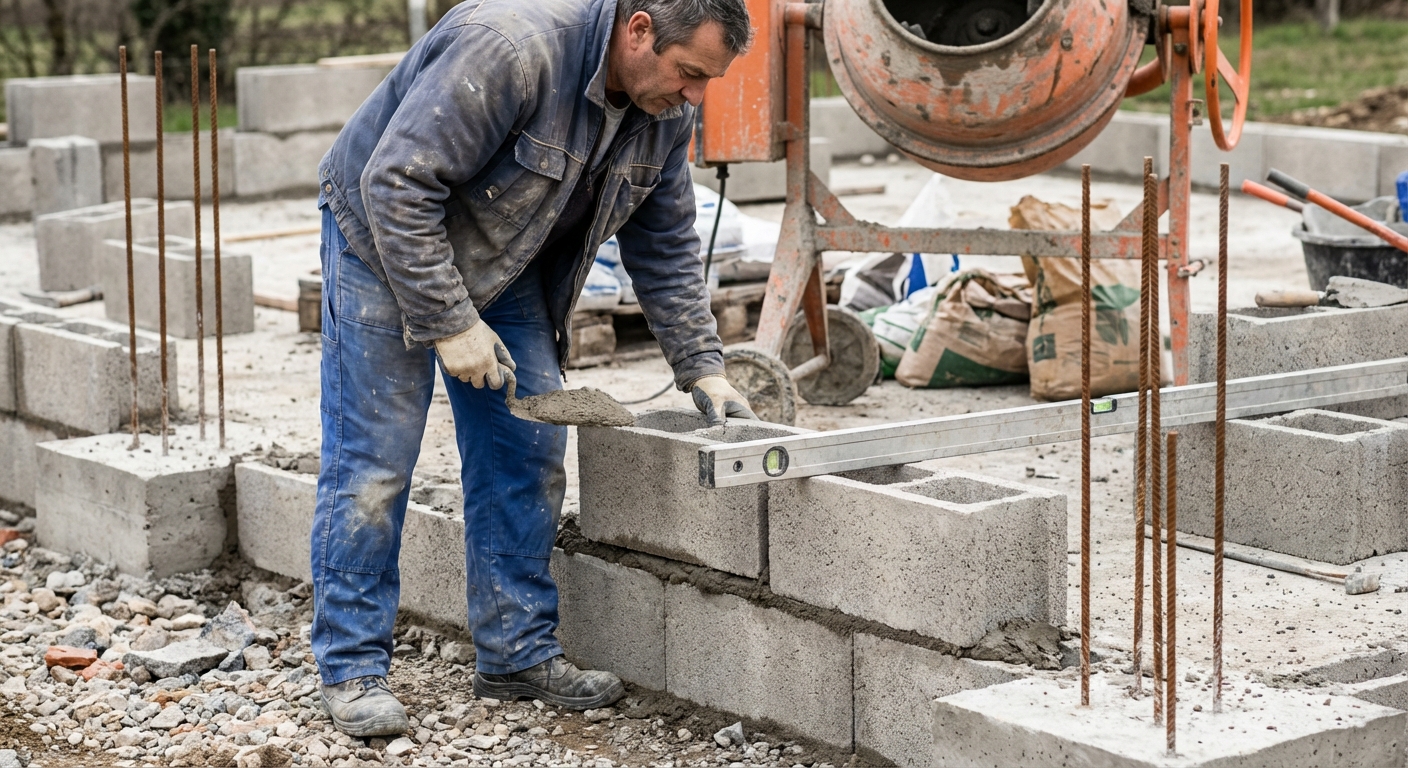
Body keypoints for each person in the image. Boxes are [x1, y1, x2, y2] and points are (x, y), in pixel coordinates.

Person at [311, 0, 757, 738]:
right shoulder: (510, 51)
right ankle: (353, 666)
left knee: (528, 448)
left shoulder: (663, 111)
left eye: (707, 81)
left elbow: (668, 244)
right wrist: (451, 321)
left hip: (505, 253)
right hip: (382, 240)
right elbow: (396, 183)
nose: (695, 97)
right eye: (689, 74)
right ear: (639, 29)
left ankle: (515, 653)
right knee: (375, 463)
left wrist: (703, 368)